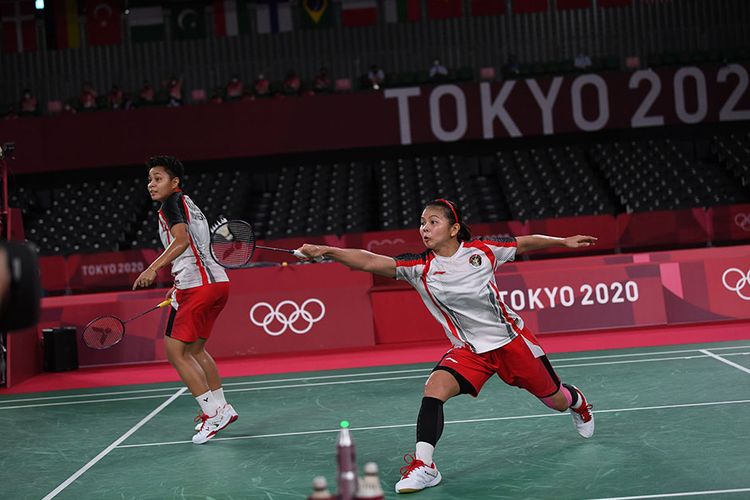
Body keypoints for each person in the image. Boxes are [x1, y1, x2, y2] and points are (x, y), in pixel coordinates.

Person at [296, 198, 596, 494]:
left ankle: (577, 402)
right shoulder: (420, 267)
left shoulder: (483, 250)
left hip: (511, 342)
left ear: (454, 229)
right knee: (434, 388)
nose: (424, 229)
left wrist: (563, 241)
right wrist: (328, 251)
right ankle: (425, 466)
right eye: (422, 223)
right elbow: (371, 260)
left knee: (554, 400)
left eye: (432, 222)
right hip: (468, 350)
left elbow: (525, 242)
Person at [133, 155, 237, 444]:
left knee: (176, 352)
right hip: (217, 284)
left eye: (158, 178)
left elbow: (181, 242)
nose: (151, 184)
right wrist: (178, 284)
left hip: (199, 287)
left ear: (174, 182)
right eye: (150, 179)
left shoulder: (171, 204)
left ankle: (213, 414)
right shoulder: (189, 202)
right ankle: (221, 408)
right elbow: (195, 249)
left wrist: (153, 268)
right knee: (196, 350)